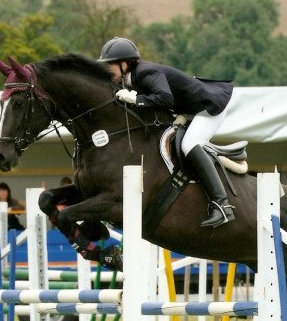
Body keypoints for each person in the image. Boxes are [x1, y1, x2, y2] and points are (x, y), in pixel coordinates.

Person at [98, 37, 235, 228]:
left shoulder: (145, 72)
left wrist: (136, 99)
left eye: (108, 65)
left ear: (124, 64)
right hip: (188, 110)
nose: (105, 71)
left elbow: (165, 98)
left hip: (208, 107)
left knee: (189, 144)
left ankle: (222, 206)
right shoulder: (130, 79)